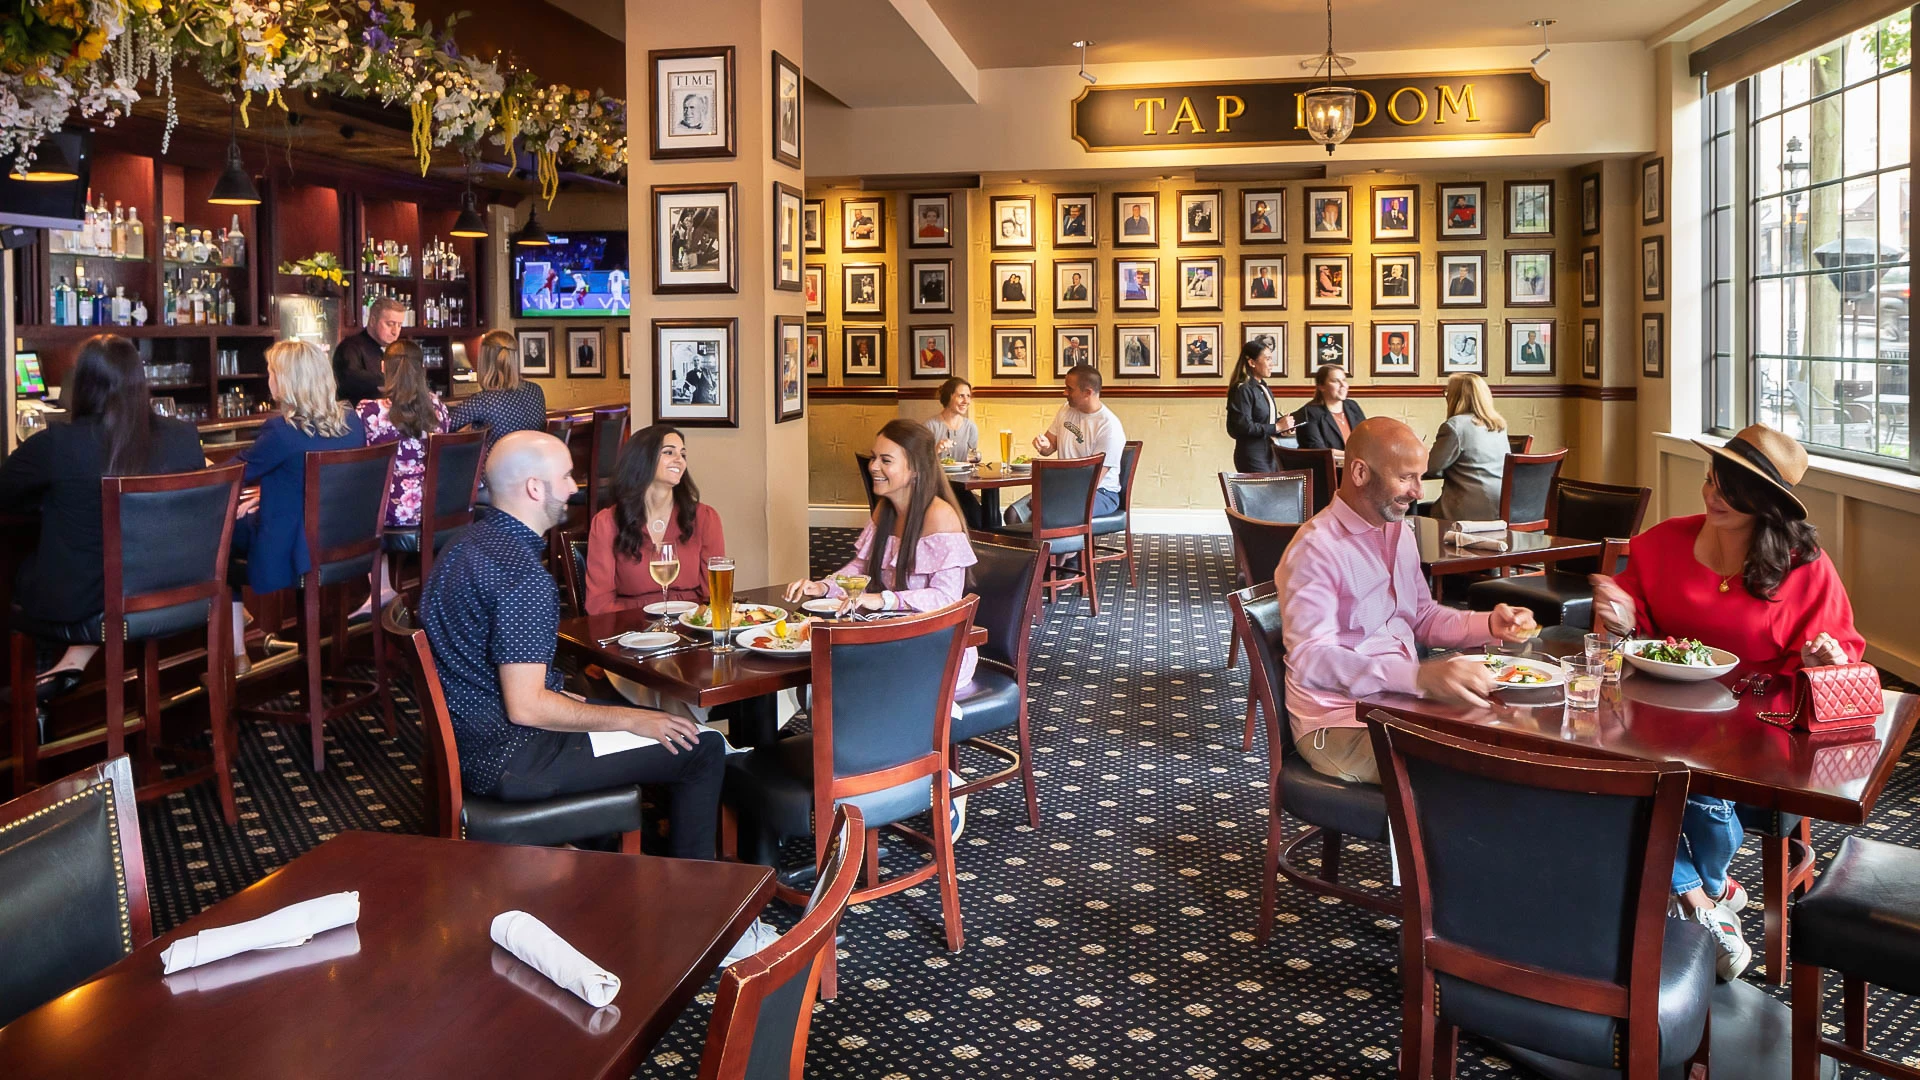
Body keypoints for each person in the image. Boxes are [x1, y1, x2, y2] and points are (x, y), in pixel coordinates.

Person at [1590, 424, 1862, 981]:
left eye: (1731, 490)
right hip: (1659, 712)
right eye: (1711, 480)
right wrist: (1620, 618)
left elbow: (1843, 659)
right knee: (1605, 770)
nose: (1712, 496)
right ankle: (1705, 897)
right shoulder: (1663, 542)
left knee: (1660, 784)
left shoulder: (1804, 567)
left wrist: (1823, 659)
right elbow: (1628, 629)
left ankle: (1700, 889)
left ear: (1765, 502)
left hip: (1759, 722)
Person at [420, 430, 728, 863]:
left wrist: (571, 698)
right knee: (702, 748)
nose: (573, 488)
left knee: (627, 714)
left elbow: (482, 665)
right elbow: (527, 708)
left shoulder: (462, 546)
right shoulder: (524, 577)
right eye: (565, 476)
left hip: (469, 741)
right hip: (512, 756)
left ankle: (590, 861)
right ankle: (698, 894)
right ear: (534, 488)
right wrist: (634, 719)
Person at [1275, 418, 1536, 785]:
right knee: (1475, 776)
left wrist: (1490, 624)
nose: (1418, 491)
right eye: (1406, 478)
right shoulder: (1316, 548)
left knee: (1516, 740)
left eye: (1421, 477)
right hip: (1340, 724)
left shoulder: (1399, 530)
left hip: (1401, 704)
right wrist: (1417, 676)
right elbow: (1312, 660)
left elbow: (1421, 616)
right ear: (1360, 473)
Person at [0, 334, 204, 708]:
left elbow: (6, 491)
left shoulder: (59, 443)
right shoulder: (183, 437)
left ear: (82, 384)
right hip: (174, 593)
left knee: (22, 574)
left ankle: (39, 706)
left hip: (87, 601)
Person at [784, 420, 977, 693]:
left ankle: (921, 717)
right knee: (825, 666)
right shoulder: (884, 510)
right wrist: (823, 586)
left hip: (937, 649)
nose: (873, 466)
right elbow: (860, 567)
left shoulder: (940, 517)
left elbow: (946, 599)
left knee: (842, 674)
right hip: (892, 637)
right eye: (874, 457)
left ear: (915, 469)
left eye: (886, 460)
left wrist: (884, 599)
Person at [229, 341, 370, 667]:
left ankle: (236, 651)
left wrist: (205, 466)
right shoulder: (353, 423)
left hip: (296, 548)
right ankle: (240, 635)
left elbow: (231, 474)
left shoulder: (282, 430)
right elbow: (321, 482)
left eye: (271, 373)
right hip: (342, 541)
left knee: (218, 535)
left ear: (287, 380)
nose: (268, 380)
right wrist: (271, 493)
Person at [353, 340, 452, 615]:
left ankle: (381, 589)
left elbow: (359, 461)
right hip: (438, 503)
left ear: (383, 367)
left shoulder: (369, 412)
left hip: (393, 508)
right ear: (422, 368)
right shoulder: (438, 408)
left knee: (360, 500)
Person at [587, 424, 724, 618]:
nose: (679, 460)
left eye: (683, 454)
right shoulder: (606, 522)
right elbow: (599, 604)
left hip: (691, 624)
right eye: (669, 452)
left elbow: (714, 595)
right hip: (631, 627)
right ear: (642, 459)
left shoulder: (705, 518)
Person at [1005, 364, 1126, 523]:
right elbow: (1050, 446)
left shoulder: (1109, 427)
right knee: (1012, 514)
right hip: (1064, 488)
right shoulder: (1066, 410)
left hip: (1100, 493)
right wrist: (1044, 446)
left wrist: (1052, 496)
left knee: (1046, 512)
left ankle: (1062, 539)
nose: (1064, 392)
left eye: (1069, 389)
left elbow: (1093, 480)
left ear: (1087, 392)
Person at [448, 329, 549, 472]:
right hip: (532, 473)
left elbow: (442, 426)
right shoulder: (536, 390)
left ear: (484, 361)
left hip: (495, 478)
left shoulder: (483, 400)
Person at [1424, 373, 1509, 522]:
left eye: (1447, 392)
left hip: (1467, 512)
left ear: (1456, 397)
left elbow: (1431, 468)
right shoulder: (1498, 426)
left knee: (1412, 515)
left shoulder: (1455, 426)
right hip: (1500, 507)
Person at [1225, 339, 1297, 473]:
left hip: (1270, 452)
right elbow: (1243, 426)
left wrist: (1283, 427)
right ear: (1252, 362)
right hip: (1253, 455)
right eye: (1267, 359)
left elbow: (1264, 422)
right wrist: (1277, 427)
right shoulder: (1243, 389)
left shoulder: (1263, 387)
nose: (1272, 364)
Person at [332, 296, 405, 404]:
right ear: (372, 321)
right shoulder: (350, 347)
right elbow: (351, 379)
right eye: (390, 324)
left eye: (399, 325)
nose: (395, 331)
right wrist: (391, 382)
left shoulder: (392, 350)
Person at [1292, 365, 1366, 450]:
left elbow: (1367, 437)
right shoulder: (1308, 413)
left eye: (1344, 380)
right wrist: (1352, 456)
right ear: (1321, 386)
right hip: (1326, 459)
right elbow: (1317, 449)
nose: (1343, 385)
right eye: (1335, 381)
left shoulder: (1352, 406)